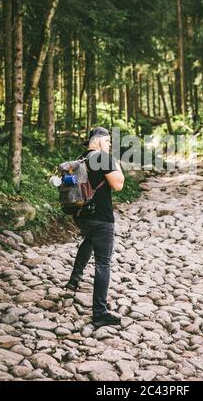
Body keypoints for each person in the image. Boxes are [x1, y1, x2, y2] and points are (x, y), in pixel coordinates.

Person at [65, 126, 125, 329]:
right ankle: (99, 313)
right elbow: (119, 184)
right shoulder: (102, 158)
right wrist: (112, 160)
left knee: (89, 240)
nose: (109, 145)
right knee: (103, 264)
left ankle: (74, 280)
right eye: (108, 141)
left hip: (82, 216)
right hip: (101, 217)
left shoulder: (81, 157)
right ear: (99, 141)